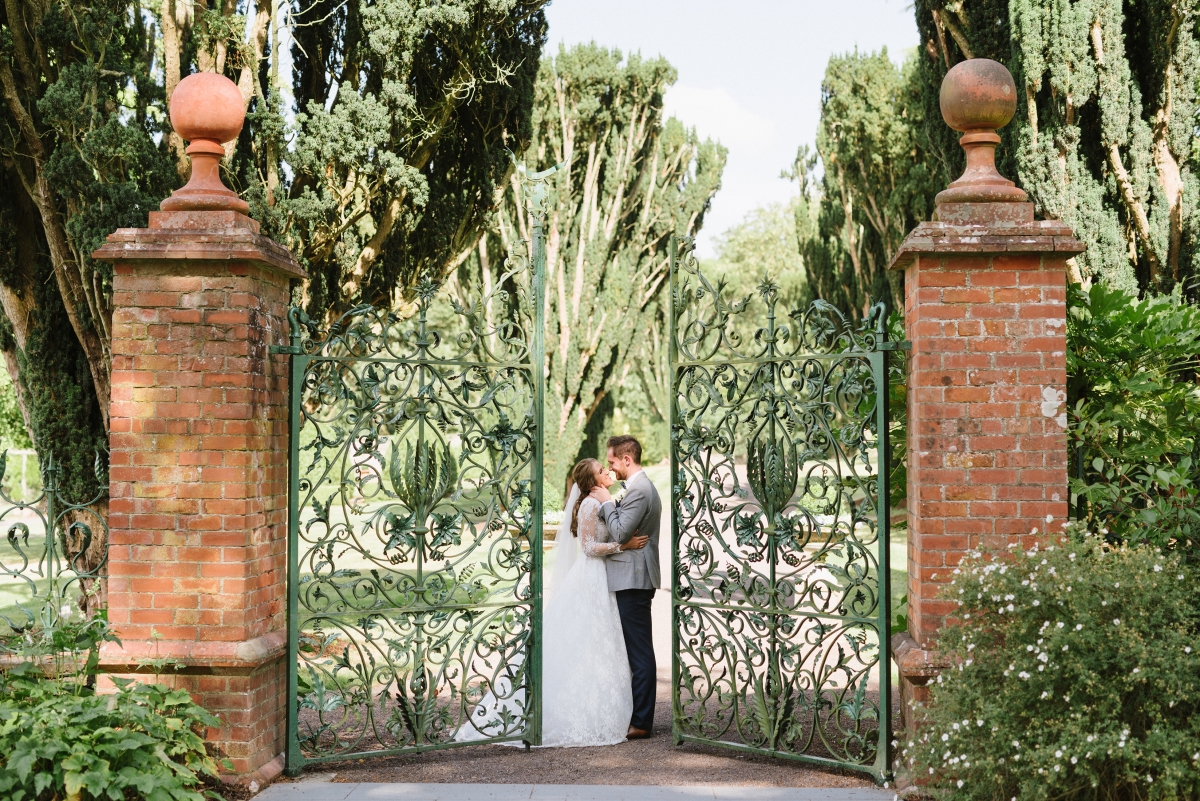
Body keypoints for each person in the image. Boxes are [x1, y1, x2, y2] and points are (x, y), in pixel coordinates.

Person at [457, 457, 650, 747]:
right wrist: (623, 545)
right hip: (591, 577)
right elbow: (587, 548)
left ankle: (604, 707)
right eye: (601, 470)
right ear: (593, 481)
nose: (607, 471)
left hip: (605, 580)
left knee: (601, 646)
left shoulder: (603, 500)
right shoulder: (589, 504)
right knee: (586, 643)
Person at [590, 435, 662, 740]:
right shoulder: (637, 488)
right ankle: (635, 714)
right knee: (633, 650)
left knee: (639, 652)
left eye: (612, 462)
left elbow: (619, 532)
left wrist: (606, 503)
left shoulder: (641, 491)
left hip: (634, 578)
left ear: (626, 460)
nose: (610, 467)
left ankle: (642, 722)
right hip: (631, 576)